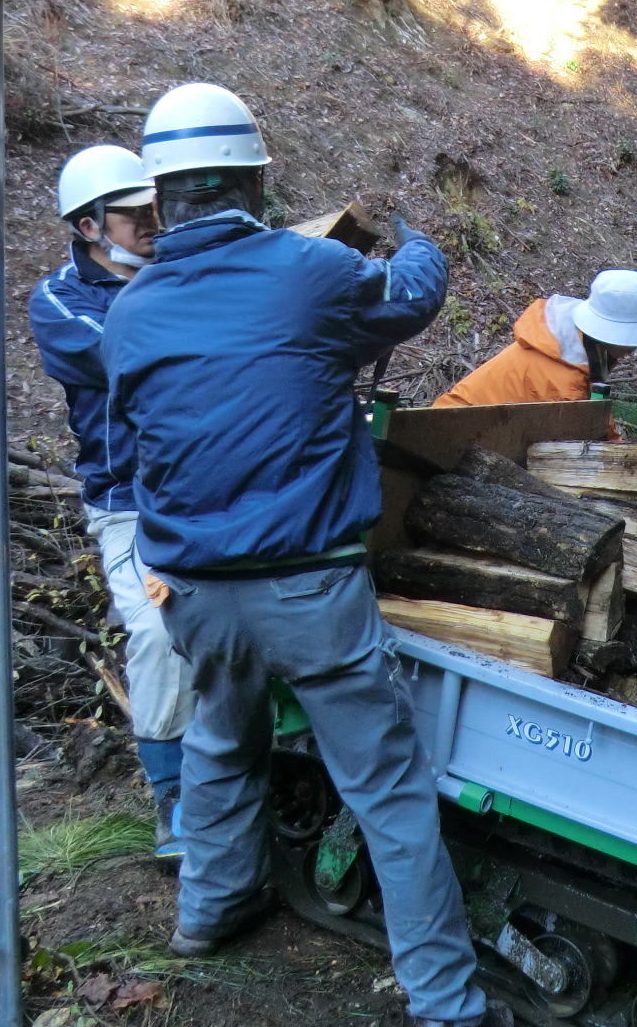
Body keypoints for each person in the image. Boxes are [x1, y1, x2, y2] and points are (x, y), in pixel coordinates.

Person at [102, 83, 506, 1027]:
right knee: (390, 797)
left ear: (161, 199)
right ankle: (447, 1003)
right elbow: (411, 298)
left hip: (193, 593)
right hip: (308, 590)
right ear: (251, 179)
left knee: (219, 740)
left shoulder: (132, 311)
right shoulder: (310, 271)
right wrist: (420, 242)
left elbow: (130, 453)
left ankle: (208, 910)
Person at [27, 144, 191, 860]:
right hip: (131, 503)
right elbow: (128, 360)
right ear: (90, 226)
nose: (155, 225)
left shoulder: (183, 274)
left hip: (210, 486)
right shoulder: (61, 300)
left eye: (157, 210)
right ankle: (175, 798)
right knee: (158, 635)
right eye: (136, 217)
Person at [433, 269, 637, 406]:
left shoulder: (577, 347)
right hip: (447, 436)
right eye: (631, 341)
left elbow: (597, 424)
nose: (635, 348)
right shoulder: (564, 379)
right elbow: (579, 446)